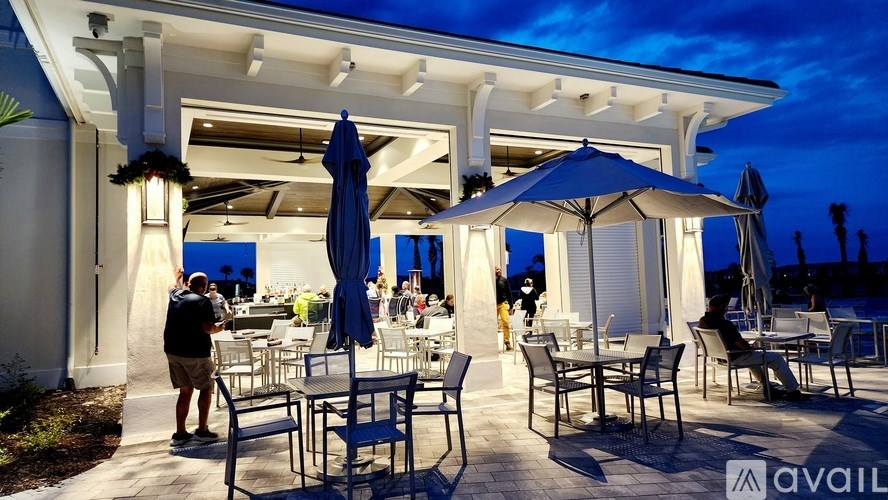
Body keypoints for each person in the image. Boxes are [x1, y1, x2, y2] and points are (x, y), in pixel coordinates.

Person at [699, 295, 809, 402]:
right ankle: (792, 391)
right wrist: (751, 348)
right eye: (725, 307)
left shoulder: (703, 321)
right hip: (735, 357)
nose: (726, 310)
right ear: (722, 307)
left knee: (753, 358)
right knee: (776, 358)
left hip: (721, 358)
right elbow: (740, 344)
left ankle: (767, 388)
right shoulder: (725, 324)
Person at [164, 267, 225, 447]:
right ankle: (202, 430)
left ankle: (180, 434)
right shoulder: (203, 301)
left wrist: (175, 277)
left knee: (185, 391)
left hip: (173, 352)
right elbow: (207, 328)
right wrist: (218, 328)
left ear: (188, 284)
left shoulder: (176, 295)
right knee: (206, 387)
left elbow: (170, 286)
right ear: (204, 286)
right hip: (195, 353)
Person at [495, 266, 514, 350]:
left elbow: (509, 292)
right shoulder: (491, 280)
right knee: (492, 323)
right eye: (497, 269)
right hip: (493, 304)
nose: (499, 271)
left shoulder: (504, 280)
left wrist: (511, 306)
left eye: (500, 269)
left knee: (505, 322)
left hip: (503, 303)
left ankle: (507, 342)